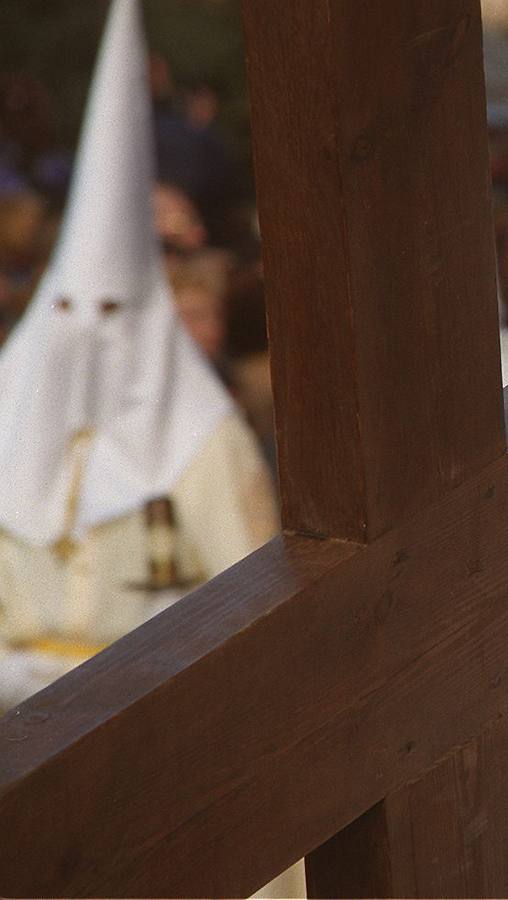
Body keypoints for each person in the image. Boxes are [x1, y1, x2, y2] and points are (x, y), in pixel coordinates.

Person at [0, 0, 277, 712]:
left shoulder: (205, 439)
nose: (89, 336)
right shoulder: (11, 410)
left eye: (112, 315)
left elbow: (251, 604)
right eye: (69, 312)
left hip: (149, 716)